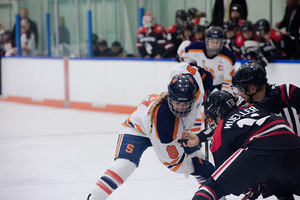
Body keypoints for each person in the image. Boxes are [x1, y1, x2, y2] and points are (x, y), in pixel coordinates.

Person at [86, 62, 215, 200]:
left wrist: (201, 73)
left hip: (176, 129)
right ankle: (94, 198)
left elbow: (183, 67)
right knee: (125, 164)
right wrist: (197, 167)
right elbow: (173, 162)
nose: (181, 108)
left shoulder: (197, 89)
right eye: (177, 103)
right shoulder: (164, 121)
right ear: (170, 97)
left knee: (198, 156)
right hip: (138, 128)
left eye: (185, 103)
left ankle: (211, 194)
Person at [183, 90, 300, 200]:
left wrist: (251, 187)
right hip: (294, 143)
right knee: (282, 183)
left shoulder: (220, 131)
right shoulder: (256, 107)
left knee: (212, 186)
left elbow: (228, 175)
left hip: (261, 147)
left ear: (216, 114)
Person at [231, 61, 300, 136]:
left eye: (240, 90)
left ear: (252, 89)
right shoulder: (245, 104)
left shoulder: (284, 98)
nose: (238, 94)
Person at [177, 26, 236, 93]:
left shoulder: (228, 57)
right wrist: (191, 64)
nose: (214, 45)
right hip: (201, 84)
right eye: (212, 41)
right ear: (207, 41)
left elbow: (228, 82)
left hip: (219, 86)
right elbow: (182, 49)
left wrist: (224, 95)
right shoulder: (195, 47)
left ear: (222, 42)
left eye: (217, 42)